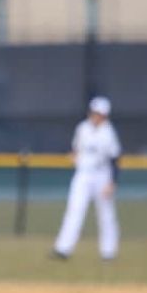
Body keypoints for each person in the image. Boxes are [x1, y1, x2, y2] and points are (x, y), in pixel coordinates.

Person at [51, 96, 121, 261]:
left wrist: (112, 182)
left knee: (106, 214)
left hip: (102, 175)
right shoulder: (82, 128)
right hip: (83, 174)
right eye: (95, 113)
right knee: (74, 210)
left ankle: (108, 252)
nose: (97, 116)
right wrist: (74, 157)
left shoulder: (108, 132)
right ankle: (63, 249)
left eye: (100, 114)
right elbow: (77, 149)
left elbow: (115, 159)